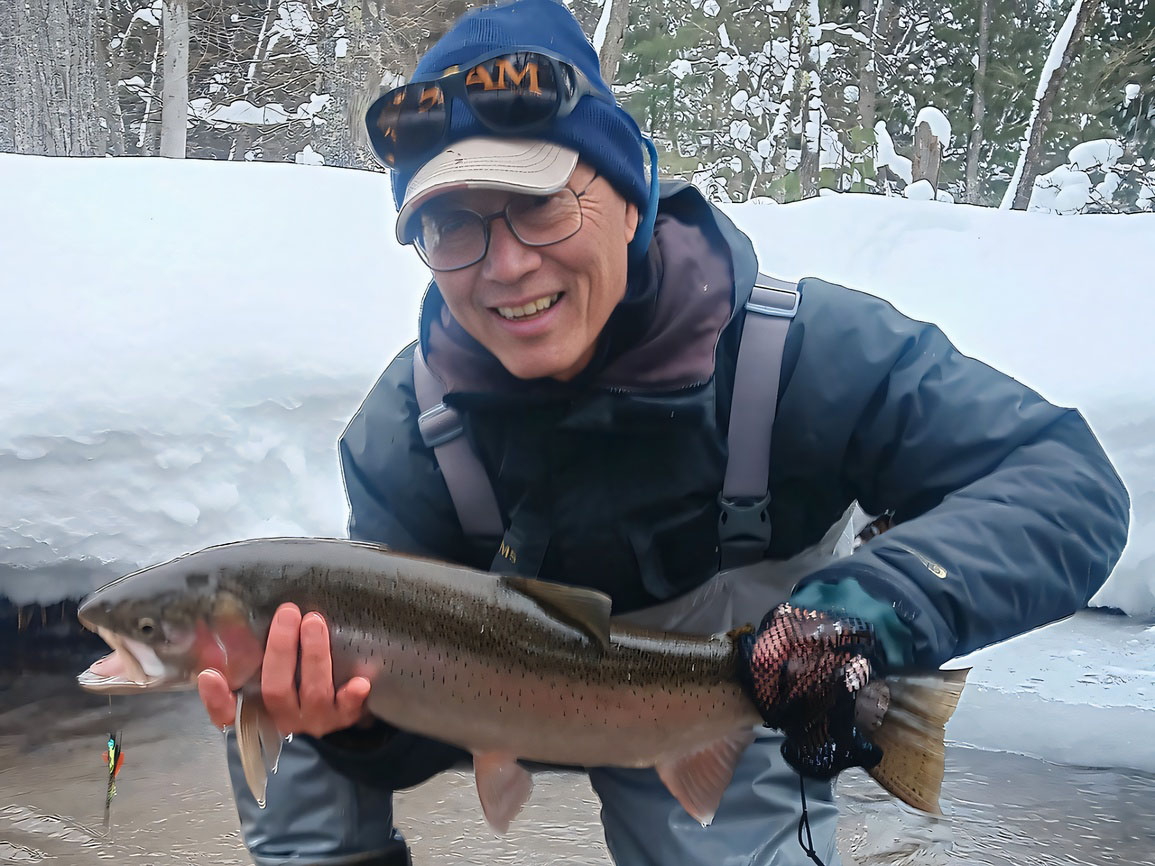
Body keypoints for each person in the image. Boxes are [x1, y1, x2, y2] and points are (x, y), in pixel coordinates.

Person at [197, 1, 1131, 864]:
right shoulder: (405, 432)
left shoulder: (800, 354)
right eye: (451, 226)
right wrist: (356, 724)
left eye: (539, 204)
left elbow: (1065, 485)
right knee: (281, 731)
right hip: (494, 697)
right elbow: (414, 722)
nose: (506, 265)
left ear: (630, 192)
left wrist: (864, 616)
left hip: (721, 697)